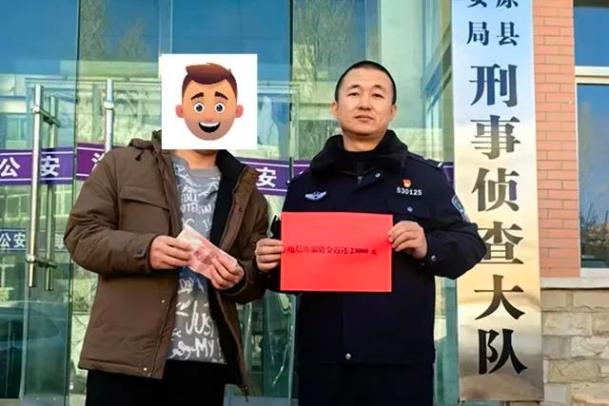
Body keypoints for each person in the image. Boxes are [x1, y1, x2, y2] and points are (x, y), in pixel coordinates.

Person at [255, 60, 486, 406]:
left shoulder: (426, 178)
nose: (365, 103)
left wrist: (428, 244)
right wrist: (269, 263)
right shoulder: (305, 187)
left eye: (377, 95)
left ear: (392, 110)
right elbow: (289, 274)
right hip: (325, 365)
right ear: (335, 107)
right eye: (354, 93)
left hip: (400, 366)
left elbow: (470, 245)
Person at [65, 63, 269, 406]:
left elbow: (254, 277)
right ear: (179, 109)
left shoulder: (248, 194)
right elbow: (81, 236)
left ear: (237, 112)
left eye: (220, 104)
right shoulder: (122, 164)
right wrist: (145, 250)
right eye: (198, 102)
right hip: (125, 358)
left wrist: (238, 278)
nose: (209, 113)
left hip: (205, 363)